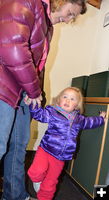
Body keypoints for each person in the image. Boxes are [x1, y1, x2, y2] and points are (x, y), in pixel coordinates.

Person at [0, 0, 87, 200]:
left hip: (23, 93)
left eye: (73, 17)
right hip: (4, 85)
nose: (69, 19)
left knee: (19, 146)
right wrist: (34, 91)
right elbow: (12, 47)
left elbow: (37, 66)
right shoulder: (29, 2)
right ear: (62, 1)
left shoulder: (48, 29)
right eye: (70, 12)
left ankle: (15, 195)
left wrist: (35, 93)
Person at [27, 87, 106, 200]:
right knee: (36, 171)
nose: (67, 100)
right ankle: (37, 180)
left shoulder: (79, 119)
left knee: (50, 182)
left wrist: (101, 119)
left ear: (77, 105)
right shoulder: (52, 112)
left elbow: (90, 122)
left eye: (72, 99)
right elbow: (39, 114)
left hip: (61, 157)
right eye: (65, 97)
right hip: (46, 149)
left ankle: (44, 198)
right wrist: (33, 104)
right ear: (59, 100)